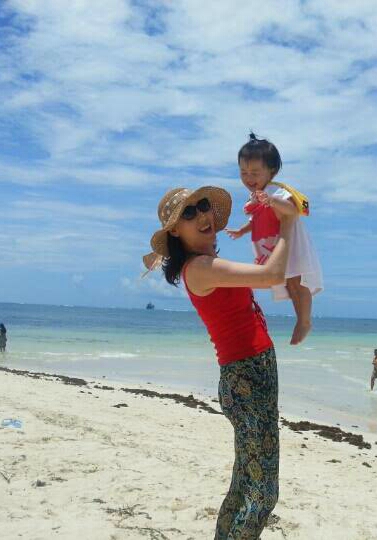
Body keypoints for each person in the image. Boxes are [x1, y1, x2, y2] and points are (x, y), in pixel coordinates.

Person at [143, 185, 294, 539]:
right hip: (246, 378)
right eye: (189, 213)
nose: (202, 214)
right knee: (262, 493)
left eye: (203, 206)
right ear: (176, 231)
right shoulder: (200, 268)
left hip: (249, 376)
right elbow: (273, 276)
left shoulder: (205, 265)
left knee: (244, 485)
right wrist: (288, 223)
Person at [226, 132, 323, 345]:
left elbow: (292, 210)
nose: (249, 178)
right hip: (274, 246)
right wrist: (242, 230)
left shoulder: (274, 191)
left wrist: (272, 201)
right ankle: (300, 319)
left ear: (272, 170)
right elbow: (258, 220)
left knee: (298, 283)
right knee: (289, 284)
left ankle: (304, 321)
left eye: (255, 173)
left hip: (291, 244)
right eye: (243, 173)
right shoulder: (257, 195)